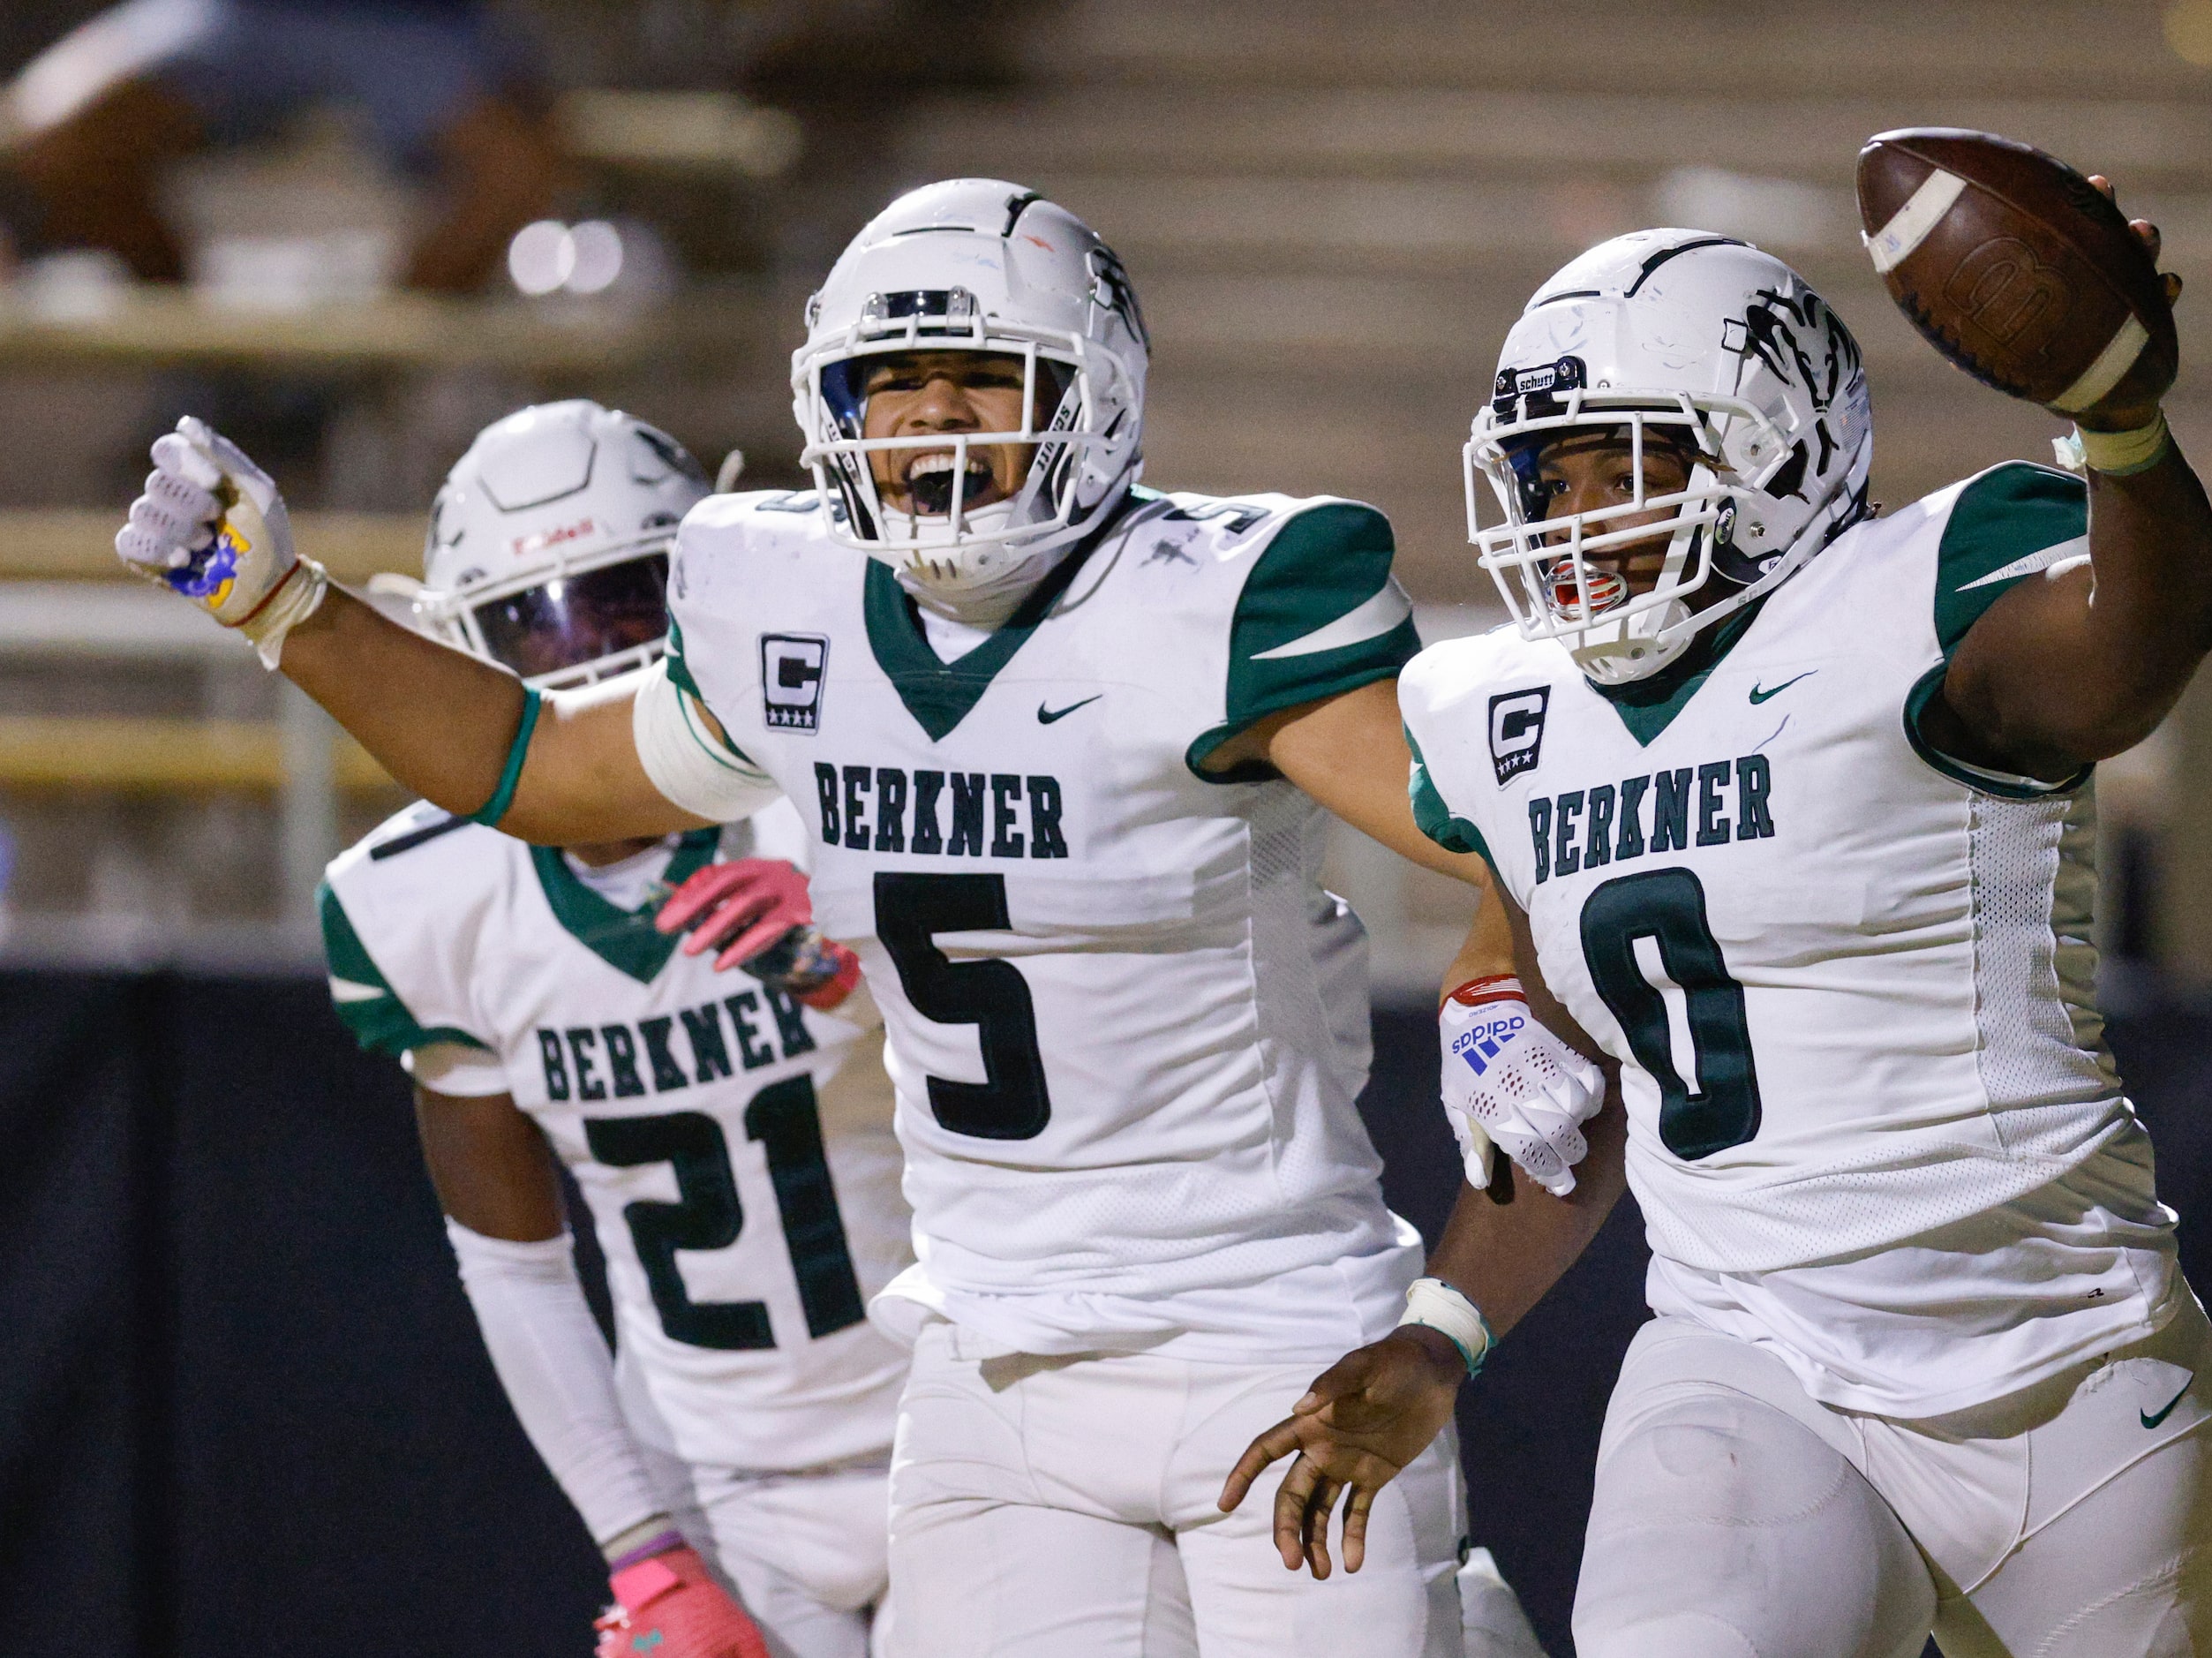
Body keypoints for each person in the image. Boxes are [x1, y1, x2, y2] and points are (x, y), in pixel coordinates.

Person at [114, 180, 1552, 1657]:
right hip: (991, 1360)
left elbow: (1523, 824)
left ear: (1095, 389)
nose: (932, 421)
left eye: (985, 375)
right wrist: (286, 603)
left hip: (1267, 1327)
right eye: (892, 383)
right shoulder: (784, 600)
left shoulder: (1221, 593)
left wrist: (1497, 974)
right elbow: (536, 765)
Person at [1223, 214, 2212, 1658]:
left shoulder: (1921, 588)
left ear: (1771, 450)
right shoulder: (1510, 713)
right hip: (1749, 1356)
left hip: (2064, 1366)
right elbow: (1571, 1090)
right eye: (1549, 471)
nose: (1574, 514)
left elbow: (2137, 655)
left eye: (1625, 464)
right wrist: (1439, 1331)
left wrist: (2124, 427)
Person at [316, 400, 913, 1658]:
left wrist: (886, 953)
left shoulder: (851, 785)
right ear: (453, 652)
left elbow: (1068, 1079)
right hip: (714, 1480)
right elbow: (515, 1266)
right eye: (533, 623)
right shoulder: (422, 899)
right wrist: (644, 1551)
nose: (585, 659)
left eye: (627, 604)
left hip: (971, 1426)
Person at [1, 0, 558, 290]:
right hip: (238, 15)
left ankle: (357, 379)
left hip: (411, 21)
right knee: (53, 141)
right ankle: (217, 372)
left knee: (518, 168)